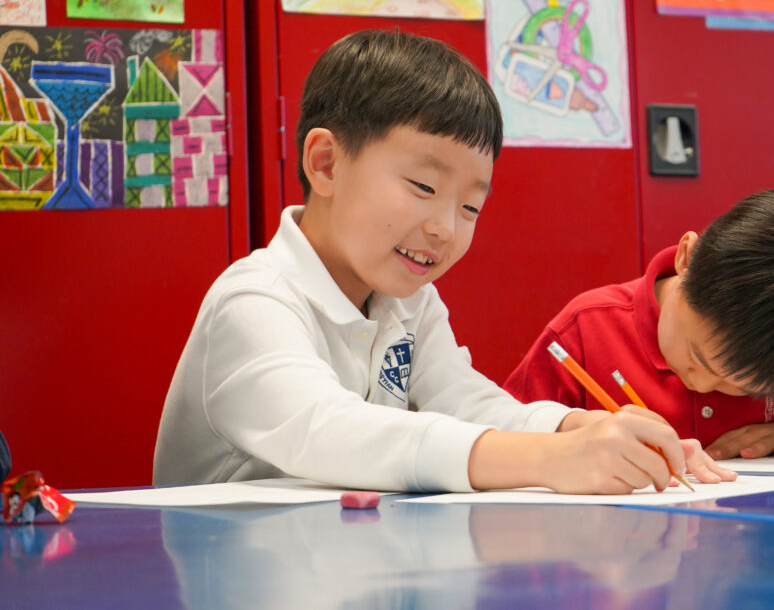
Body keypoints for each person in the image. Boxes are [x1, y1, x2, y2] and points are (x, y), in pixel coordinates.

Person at [153, 29, 734, 494]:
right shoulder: (254, 300)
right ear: (326, 163)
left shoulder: (407, 301)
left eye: (470, 207)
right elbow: (328, 430)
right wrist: (551, 457)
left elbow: (465, 401)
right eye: (423, 187)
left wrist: (581, 426)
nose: (445, 229)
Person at [503, 189, 774, 460]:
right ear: (687, 258)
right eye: (696, 357)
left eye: (744, 388)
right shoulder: (586, 330)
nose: (701, 384)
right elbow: (505, 437)